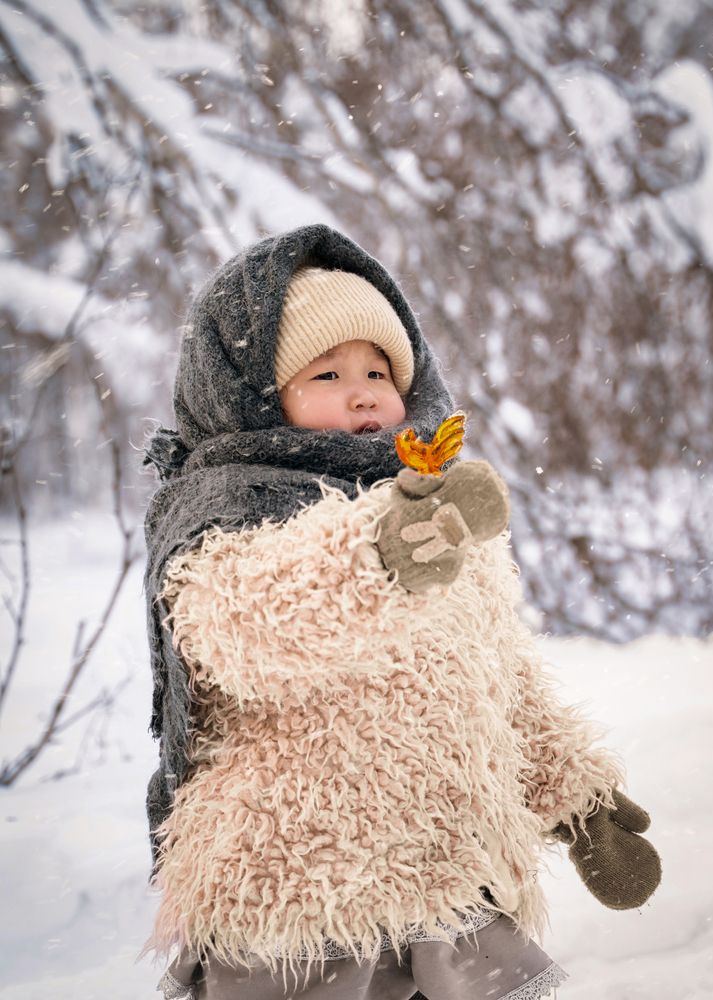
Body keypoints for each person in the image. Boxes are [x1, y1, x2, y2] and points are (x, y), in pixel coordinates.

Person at [140, 224, 661, 1000]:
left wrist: (575, 796)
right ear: (250, 395)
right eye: (324, 373)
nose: (362, 392)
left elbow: (494, 677)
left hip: (444, 882)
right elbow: (253, 625)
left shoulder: (432, 511)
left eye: (378, 370)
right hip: (301, 896)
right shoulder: (230, 513)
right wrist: (379, 554)